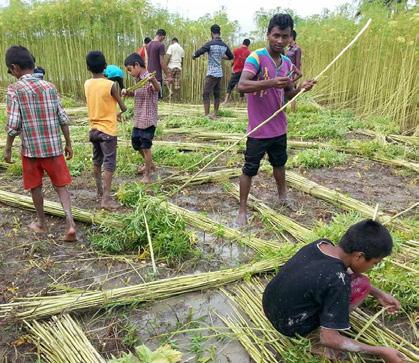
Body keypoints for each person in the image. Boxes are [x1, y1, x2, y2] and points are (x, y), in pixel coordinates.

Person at [263, 219, 404, 363]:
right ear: (359, 256)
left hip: (270, 305)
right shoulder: (338, 280)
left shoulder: (322, 244)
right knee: (361, 285)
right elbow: (329, 339)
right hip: (290, 325)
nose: (372, 267)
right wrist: (381, 351)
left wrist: (379, 294)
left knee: (359, 283)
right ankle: (313, 338)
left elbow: (334, 274)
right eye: (375, 263)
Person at [236, 14, 315, 226]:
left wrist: (301, 89)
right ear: (268, 35)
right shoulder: (256, 58)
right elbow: (242, 86)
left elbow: (288, 94)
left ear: (291, 38)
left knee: (279, 165)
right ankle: (242, 209)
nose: (280, 41)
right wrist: (271, 82)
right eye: (276, 35)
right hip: (258, 129)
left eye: (285, 36)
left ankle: (283, 198)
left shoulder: (287, 62)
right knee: (249, 169)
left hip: (279, 128)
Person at [3, 45, 77, 241]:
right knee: (61, 186)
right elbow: (62, 117)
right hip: (53, 148)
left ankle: (42, 223)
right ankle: (70, 224)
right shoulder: (50, 87)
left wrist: (8, 148)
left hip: (30, 150)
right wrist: (68, 143)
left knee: (35, 186)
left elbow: (13, 124)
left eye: (10, 72)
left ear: (15, 68)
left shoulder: (15, 89)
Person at [84, 51, 127, 210]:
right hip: (108, 131)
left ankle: (99, 191)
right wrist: (118, 110)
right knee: (109, 163)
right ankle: (106, 199)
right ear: (105, 66)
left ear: (88, 67)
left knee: (97, 160)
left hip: (93, 129)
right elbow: (123, 107)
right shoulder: (111, 85)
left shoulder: (87, 84)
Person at [122, 53, 160, 184]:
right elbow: (138, 94)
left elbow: (157, 88)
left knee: (146, 146)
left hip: (148, 119)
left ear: (137, 65)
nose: (129, 73)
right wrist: (128, 92)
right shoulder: (138, 81)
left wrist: (153, 80)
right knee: (136, 144)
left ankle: (147, 174)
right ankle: (150, 164)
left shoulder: (149, 77)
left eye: (129, 69)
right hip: (138, 119)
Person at [193, 24, 233, 119]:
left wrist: (194, 55)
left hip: (211, 73)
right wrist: (221, 56)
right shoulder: (224, 45)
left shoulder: (210, 44)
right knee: (216, 94)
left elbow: (200, 51)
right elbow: (231, 56)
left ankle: (206, 115)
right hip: (219, 73)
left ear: (211, 33)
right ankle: (215, 113)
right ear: (219, 33)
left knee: (205, 94)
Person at [223, 38, 251, 105]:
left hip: (236, 71)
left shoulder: (236, 50)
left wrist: (231, 63)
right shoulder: (249, 53)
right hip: (244, 72)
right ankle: (240, 102)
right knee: (242, 86)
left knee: (230, 86)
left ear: (242, 43)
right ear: (248, 45)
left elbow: (232, 58)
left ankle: (226, 101)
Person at [147, 29, 172, 99]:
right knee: (157, 100)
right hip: (157, 77)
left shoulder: (148, 45)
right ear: (162, 36)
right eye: (163, 38)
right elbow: (162, 62)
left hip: (149, 76)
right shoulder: (160, 45)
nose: (163, 40)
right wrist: (168, 75)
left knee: (150, 99)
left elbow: (147, 60)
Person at [286, 30, 302, 112]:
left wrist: (296, 77)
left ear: (292, 37)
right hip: (287, 72)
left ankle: (293, 110)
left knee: (293, 91)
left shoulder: (297, 49)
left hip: (293, 73)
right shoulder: (288, 48)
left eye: (288, 36)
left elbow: (298, 63)